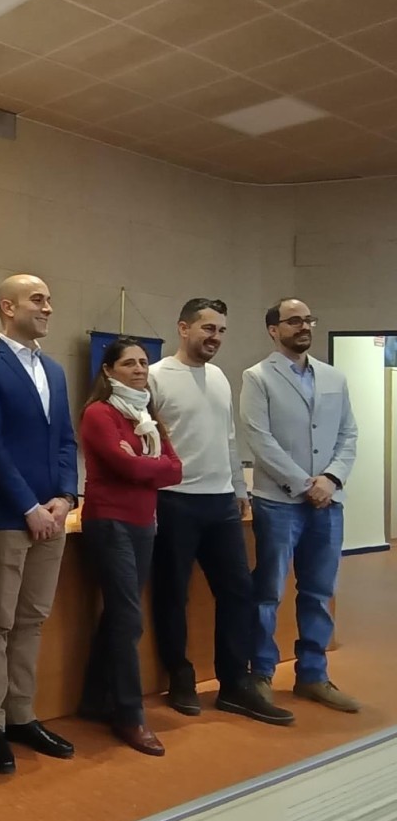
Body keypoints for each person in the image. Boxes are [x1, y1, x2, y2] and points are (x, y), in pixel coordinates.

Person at [149, 299, 294, 726]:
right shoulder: (156, 377)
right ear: (183, 328)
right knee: (173, 593)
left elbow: (229, 439)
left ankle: (234, 684)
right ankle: (180, 675)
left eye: (221, 331)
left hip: (220, 504)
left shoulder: (218, 377)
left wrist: (237, 487)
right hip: (173, 500)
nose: (215, 338)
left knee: (239, 593)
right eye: (207, 329)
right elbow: (145, 440)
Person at [0, 275, 78, 774]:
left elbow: (65, 441)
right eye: (38, 300)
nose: (48, 308)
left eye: (50, 300)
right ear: (6, 306)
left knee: (32, 621)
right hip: (9, 517)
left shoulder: (54, 371)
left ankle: (21, 715)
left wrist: (64, 498)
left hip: (51, 517)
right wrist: (29, 506)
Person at [240, 298, 359, 712]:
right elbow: (260, 439)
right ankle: (262, 674)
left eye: (308, 319)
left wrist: (331, 479)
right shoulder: (257, 377)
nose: (303, 326)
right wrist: (303, 483)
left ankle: (313, 675)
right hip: (279, 502)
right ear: (274, 329)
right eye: (293, 321)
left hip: (328, 503)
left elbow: (349, 434)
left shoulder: (333, 377)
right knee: (268, 592)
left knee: (320, 591)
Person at [78, 338, 182, 756]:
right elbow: (126, 466)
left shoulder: (146, 414)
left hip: (143, 523)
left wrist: (144, 464)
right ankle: (129, 714)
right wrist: (146, 465)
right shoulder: (99, 413)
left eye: (144, 362)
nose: (140, 369)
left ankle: (93, 699)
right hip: (111, 522)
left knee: (121, 616)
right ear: (107, 371)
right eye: (129, 363)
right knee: (128, 619)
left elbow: (174, 469)